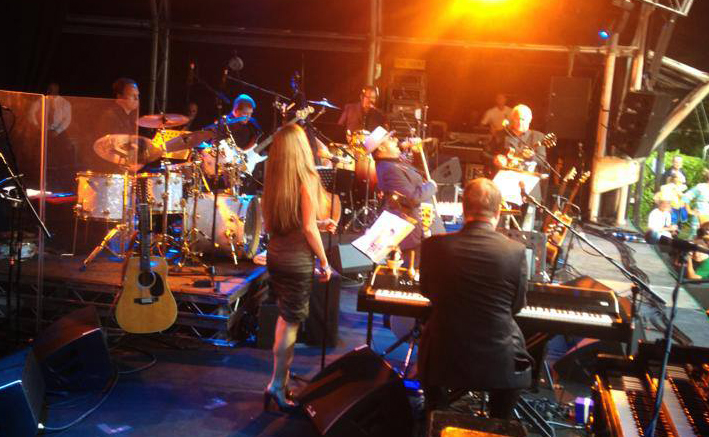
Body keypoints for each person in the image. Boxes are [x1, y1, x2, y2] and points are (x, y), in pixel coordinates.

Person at [418, 178, 532, 420]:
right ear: (498, 212)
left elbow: (426, 291)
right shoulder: (515, 251)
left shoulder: (433, 246)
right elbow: (516, 307)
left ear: (463, 208)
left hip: (443, 355)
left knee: (430, 342)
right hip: (497, 359)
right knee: (515, 357)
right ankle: (500, 422)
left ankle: (434, 418)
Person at [261, 123, 337, 411]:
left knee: (285, 318)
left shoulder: (274, 179)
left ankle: (279, 382)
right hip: (296, 261)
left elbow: (281, 223)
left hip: (276, 257)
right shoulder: (306, 178)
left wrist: (319, 223)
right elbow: (306, 228)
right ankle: (277, 384)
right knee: (291, 323)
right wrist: (324, 260)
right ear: (302, 148)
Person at [364, 126, 440, 264]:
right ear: (381, 148)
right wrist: (432, 186)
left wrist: (417, 152)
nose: (396, 140)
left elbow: (417, 175)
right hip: (414, 232)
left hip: (422, 224)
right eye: (390, 139)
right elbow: (412, 198)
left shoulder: (393, 163)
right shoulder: (389, 169)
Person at [485, 104, 547, 175]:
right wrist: (495, 159)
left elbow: (542, 161)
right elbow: (484, 154)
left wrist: (532, 157)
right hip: (504, 175)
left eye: (523, 119)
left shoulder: (538, 136)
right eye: (517, 119)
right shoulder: (501, 135)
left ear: (530, 120)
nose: (520, 122)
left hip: (528, 177)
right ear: (512, 118)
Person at [682, 169, 709, 237]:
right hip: (699, 216)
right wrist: (689, 211)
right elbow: (686, 197)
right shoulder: (701, 187)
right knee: (695, 236)